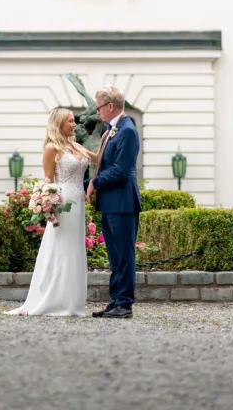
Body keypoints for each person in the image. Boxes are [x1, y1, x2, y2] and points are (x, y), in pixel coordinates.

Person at [5, 108, 97, 316]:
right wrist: (48, 204)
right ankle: (52, 299)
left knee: (74, 247)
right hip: (62, 202)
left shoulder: (77, 146)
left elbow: (97, 159)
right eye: (71, 121)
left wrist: (107, 134)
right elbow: (49, 182)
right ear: (60, 124)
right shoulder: (51, 148)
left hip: (78, 201)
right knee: (60, 246)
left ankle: (72, 301)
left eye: (74, 121)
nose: (75, 124)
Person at [86, 85, 141, 319]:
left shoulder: (127, 130)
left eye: (98, 107)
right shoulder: (110, 130)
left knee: (124, 254)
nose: (97, 112)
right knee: (114, 256)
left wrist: (94, 183)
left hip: (122, 203)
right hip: (110, 203)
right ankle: (115, 300)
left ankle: (125, 304)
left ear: (110, 106)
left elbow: (120, 170)